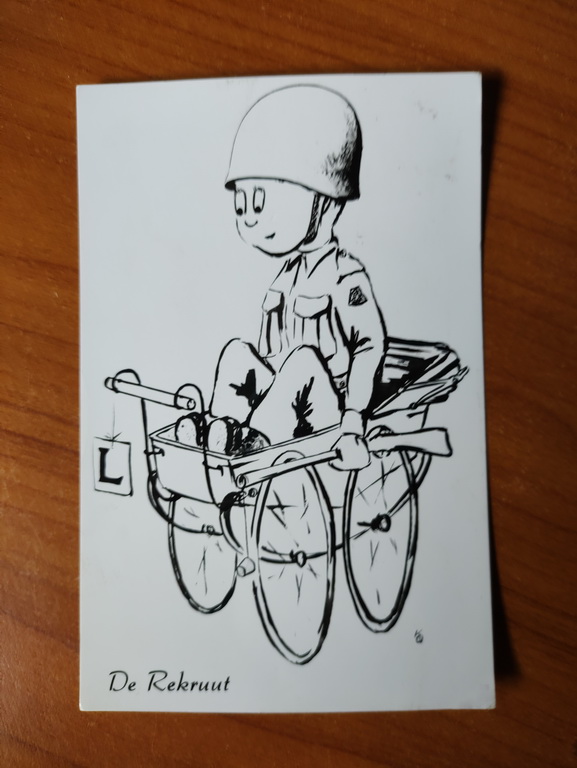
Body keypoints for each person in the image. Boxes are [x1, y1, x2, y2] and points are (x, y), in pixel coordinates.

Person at [178, 85, 386, 471]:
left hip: (325, 411)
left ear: (327, 200)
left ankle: (250, 447)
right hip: (284, 400)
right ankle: (219, 435)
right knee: (238, 353)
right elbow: (266, 354)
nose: (249, 216)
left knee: (303, 362)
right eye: (244, 203)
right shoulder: (285, 279)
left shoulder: (346, 278)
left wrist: (353, 422)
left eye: (262, 202)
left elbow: (369, 347)